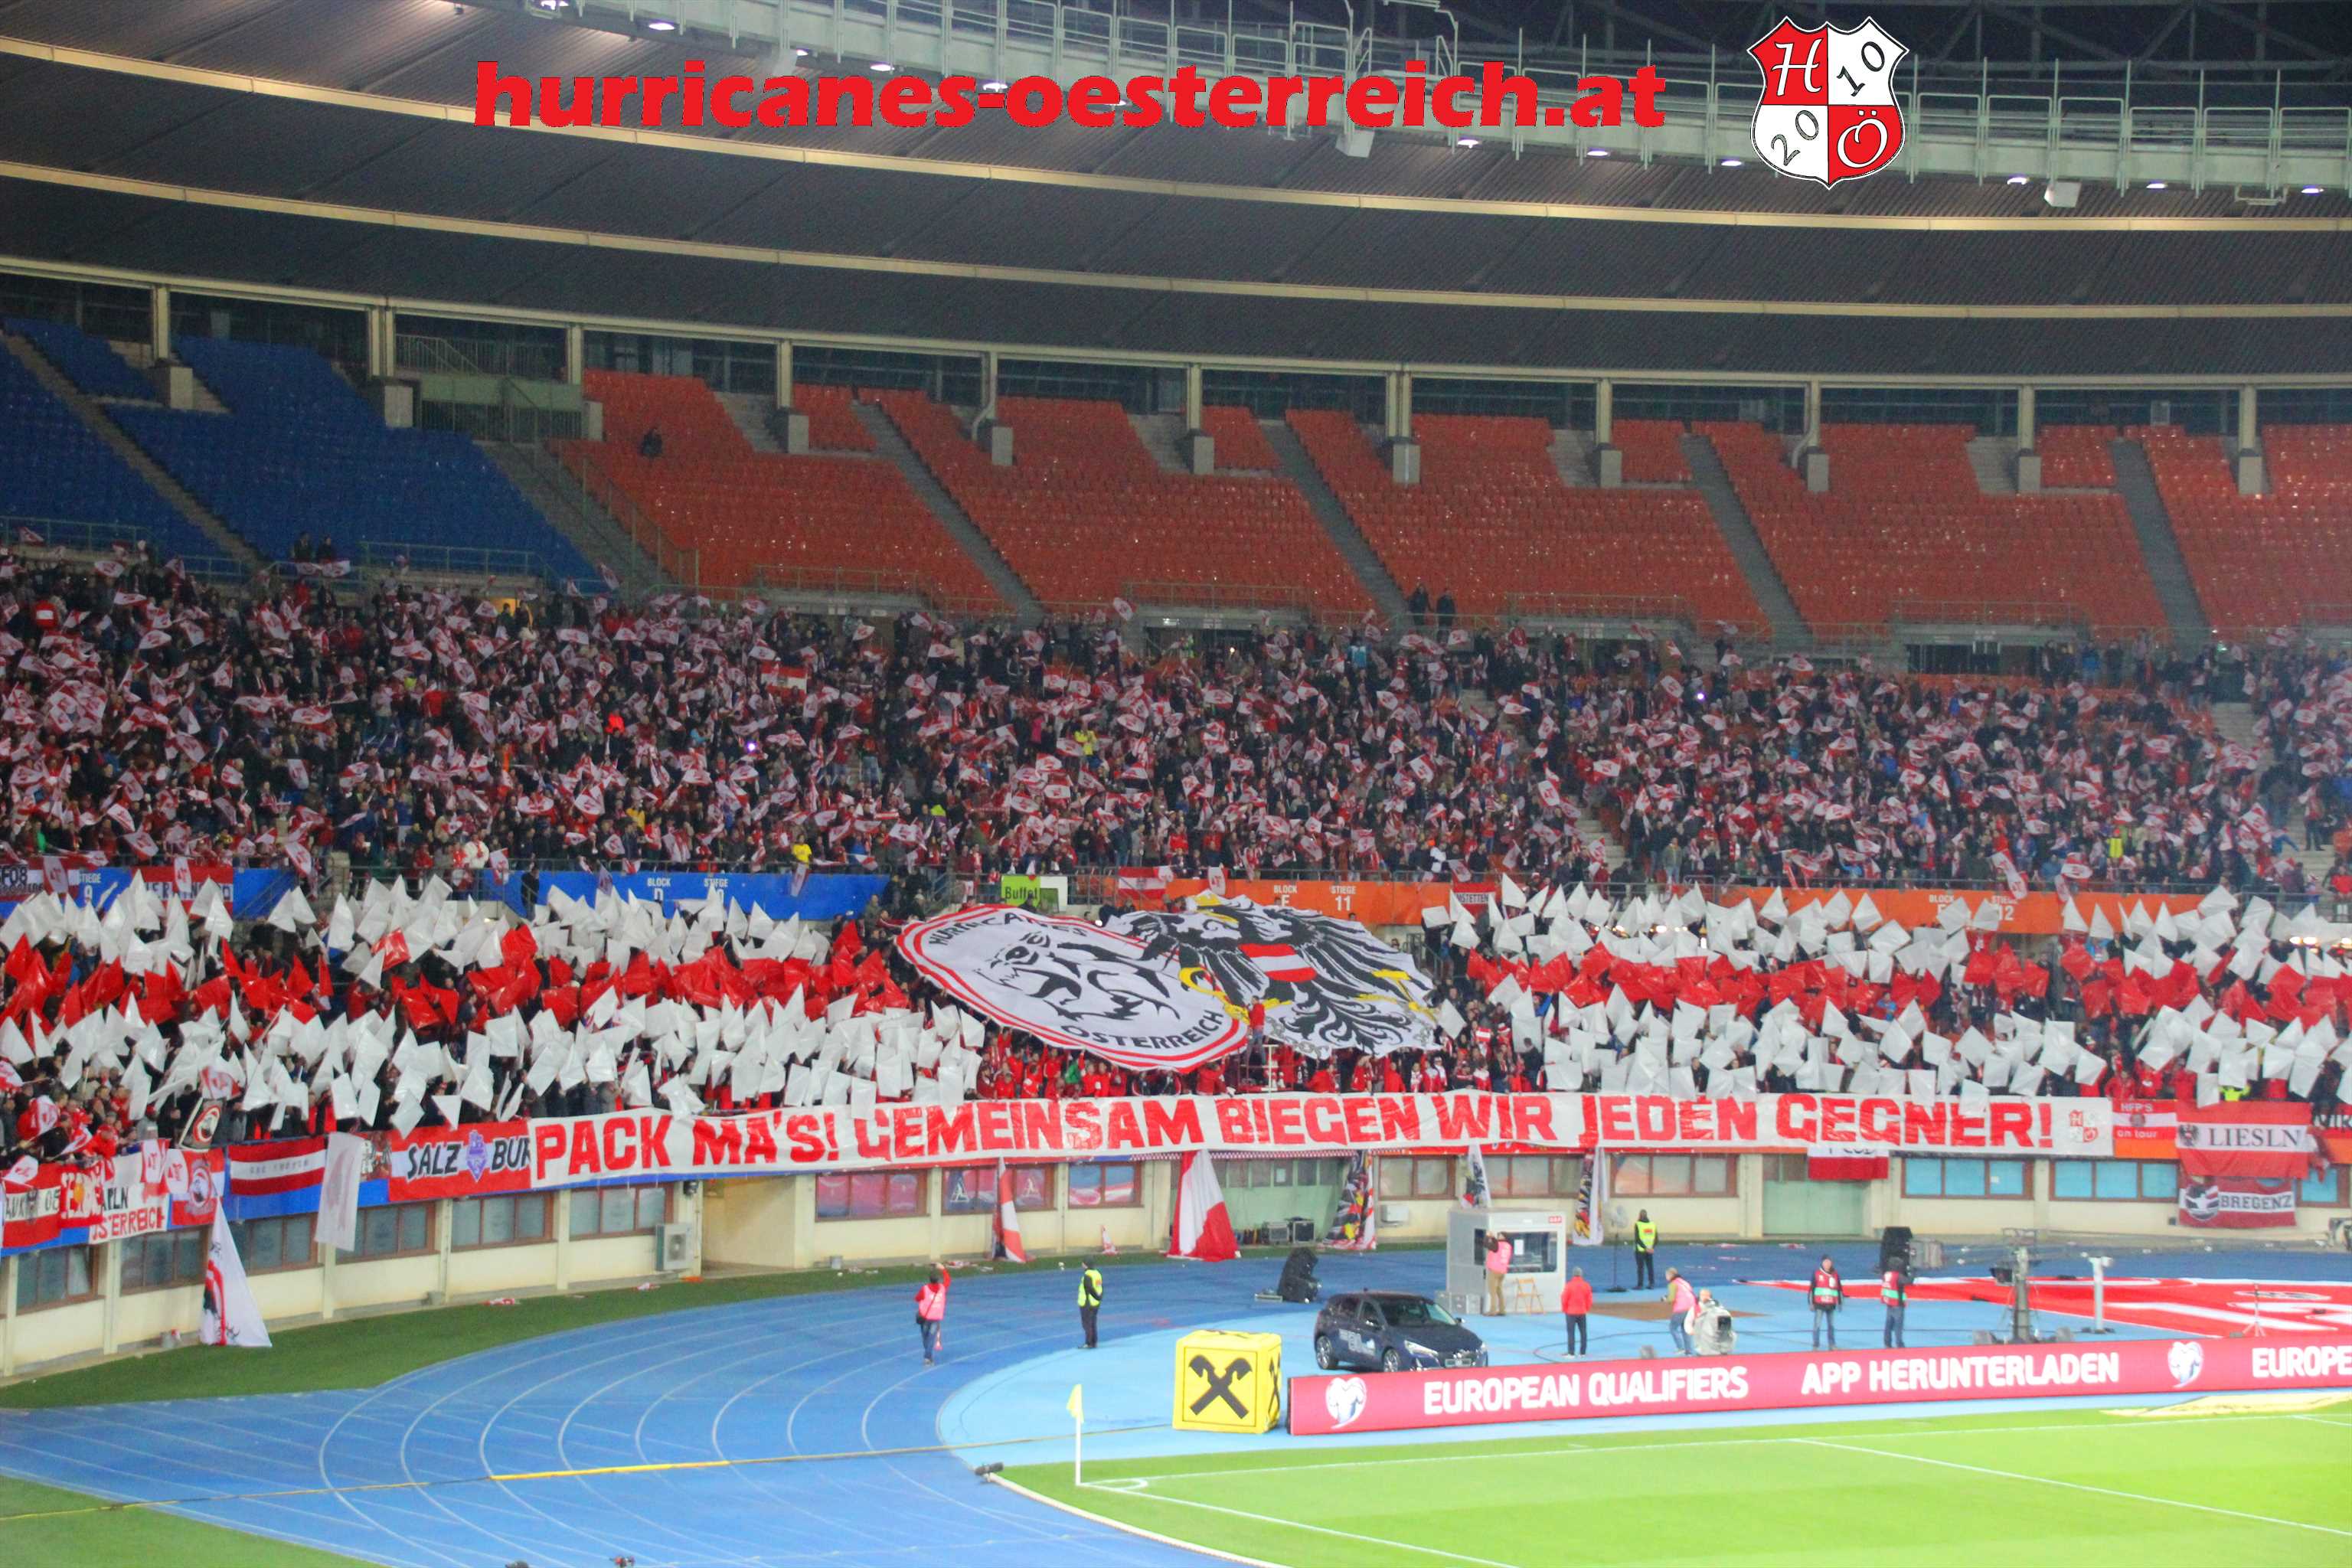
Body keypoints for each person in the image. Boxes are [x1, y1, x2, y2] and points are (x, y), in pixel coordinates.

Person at [915, 1265, 950, 1365]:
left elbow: (917, 1298)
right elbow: (948, 1280)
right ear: (938, 1280)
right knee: (931, 1337)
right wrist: (943, 1269)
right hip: (936, 1317)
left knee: (926, 1337)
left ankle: (927, 1357)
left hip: (925, 1317)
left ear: (930, 1280)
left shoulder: (925, 1289)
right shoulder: (942, 1288)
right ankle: (928, 1356)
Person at [1810, 1256, 1844, 1351]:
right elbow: (1812, 1289)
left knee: (1831, 1325)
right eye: (1825, 1262)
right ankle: (1816, 1345)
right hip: (1819, 1304)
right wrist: (1811, 1303)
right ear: (1822, 1263)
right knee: (1817, 1325)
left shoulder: (1835, 1275)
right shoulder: (1817, 1274)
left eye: (1829, 1262)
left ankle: (1832, 1344)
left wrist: (1840, 1302)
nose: (1827, 1264)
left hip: (1831, 1304)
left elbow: (1839, 1289)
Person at [1692, 1289, 1736, 1356]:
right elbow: (1727, 1335)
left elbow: (1698, 1334)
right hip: (1717, 1353)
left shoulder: (1701, 1315)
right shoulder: (1723, 1313)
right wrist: (1725, 1350)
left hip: (1703, 1352)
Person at [1663, 1267, 1696, 1356]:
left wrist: (1665, 1299)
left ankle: (1680, 1347)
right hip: (1691, 1308)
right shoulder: (1684, 1282)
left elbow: (1671, 1299)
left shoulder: (1673, 1284)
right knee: (1686, 1329)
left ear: (1669, 1275)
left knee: (1673, 1328)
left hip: (1681, 1308)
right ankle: (1689, 1351)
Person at [1560, 1266, 1592, 1357]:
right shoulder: (1586, 1285)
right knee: (1583, 1332)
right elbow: (1589, 1299)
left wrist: (1565, 1309)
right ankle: (1583, 1352)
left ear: (1573, 1275)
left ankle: (1571, 1353)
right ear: (1581, 1274)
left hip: (1571, 1312)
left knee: (1571, 1333)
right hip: (1582, 1312)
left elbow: (1564, 1298)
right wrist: (1586, 1308)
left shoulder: (1569, 1285)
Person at [1484, 1230, 1514, 1315]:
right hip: (1503, 1270)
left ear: (1503, 1237)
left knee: (1492, 1291)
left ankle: (1492, 1310)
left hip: (1494, 1270)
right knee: (1499, 1291)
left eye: (1500, 1235)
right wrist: (1493, 1238)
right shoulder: (1508, 1246)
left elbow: (1487, 1245)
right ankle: (1502, 1310)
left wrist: (1487, 1237)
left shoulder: (1498, 1245)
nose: (1498, 1236)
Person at [1881, 1259, 1907, 1349]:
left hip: (1889, 1302)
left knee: (1888, 1324)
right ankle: (1899, 1344)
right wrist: (1913, 1272)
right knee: (1898, 1325)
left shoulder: (1887, 1275)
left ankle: (1887, 1343)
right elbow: (1908, 1281)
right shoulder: (1898, 1276)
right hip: (1898, 1303)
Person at [1077, 1259, 1104, 1349]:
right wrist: (1099, 1298)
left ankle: (1089, 1343)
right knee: (1093, 1323)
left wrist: (1096, 1297)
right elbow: (1100, 1287)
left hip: (1087, 1303)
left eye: (1083, 1263)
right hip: (1095, 1303)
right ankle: (1094, 1342)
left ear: (1086, 1265)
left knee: (1087, 1324)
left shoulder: (1087, 1275)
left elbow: (1089, 1288)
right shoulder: (1097, 1274)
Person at [1632, 1209, 1658, 1289]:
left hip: (1640, 1250)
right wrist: (1652, 1248)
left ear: (1639, 1216)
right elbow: (1656, 1239)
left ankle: (1640, 1285)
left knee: (1640, 1268)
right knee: (1650, 1267)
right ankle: (1651, 1284)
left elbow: (1637, 1239)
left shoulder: (1638, 1224)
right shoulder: (1653, 1225)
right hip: (1650, 1250)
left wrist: (1645, 1248)